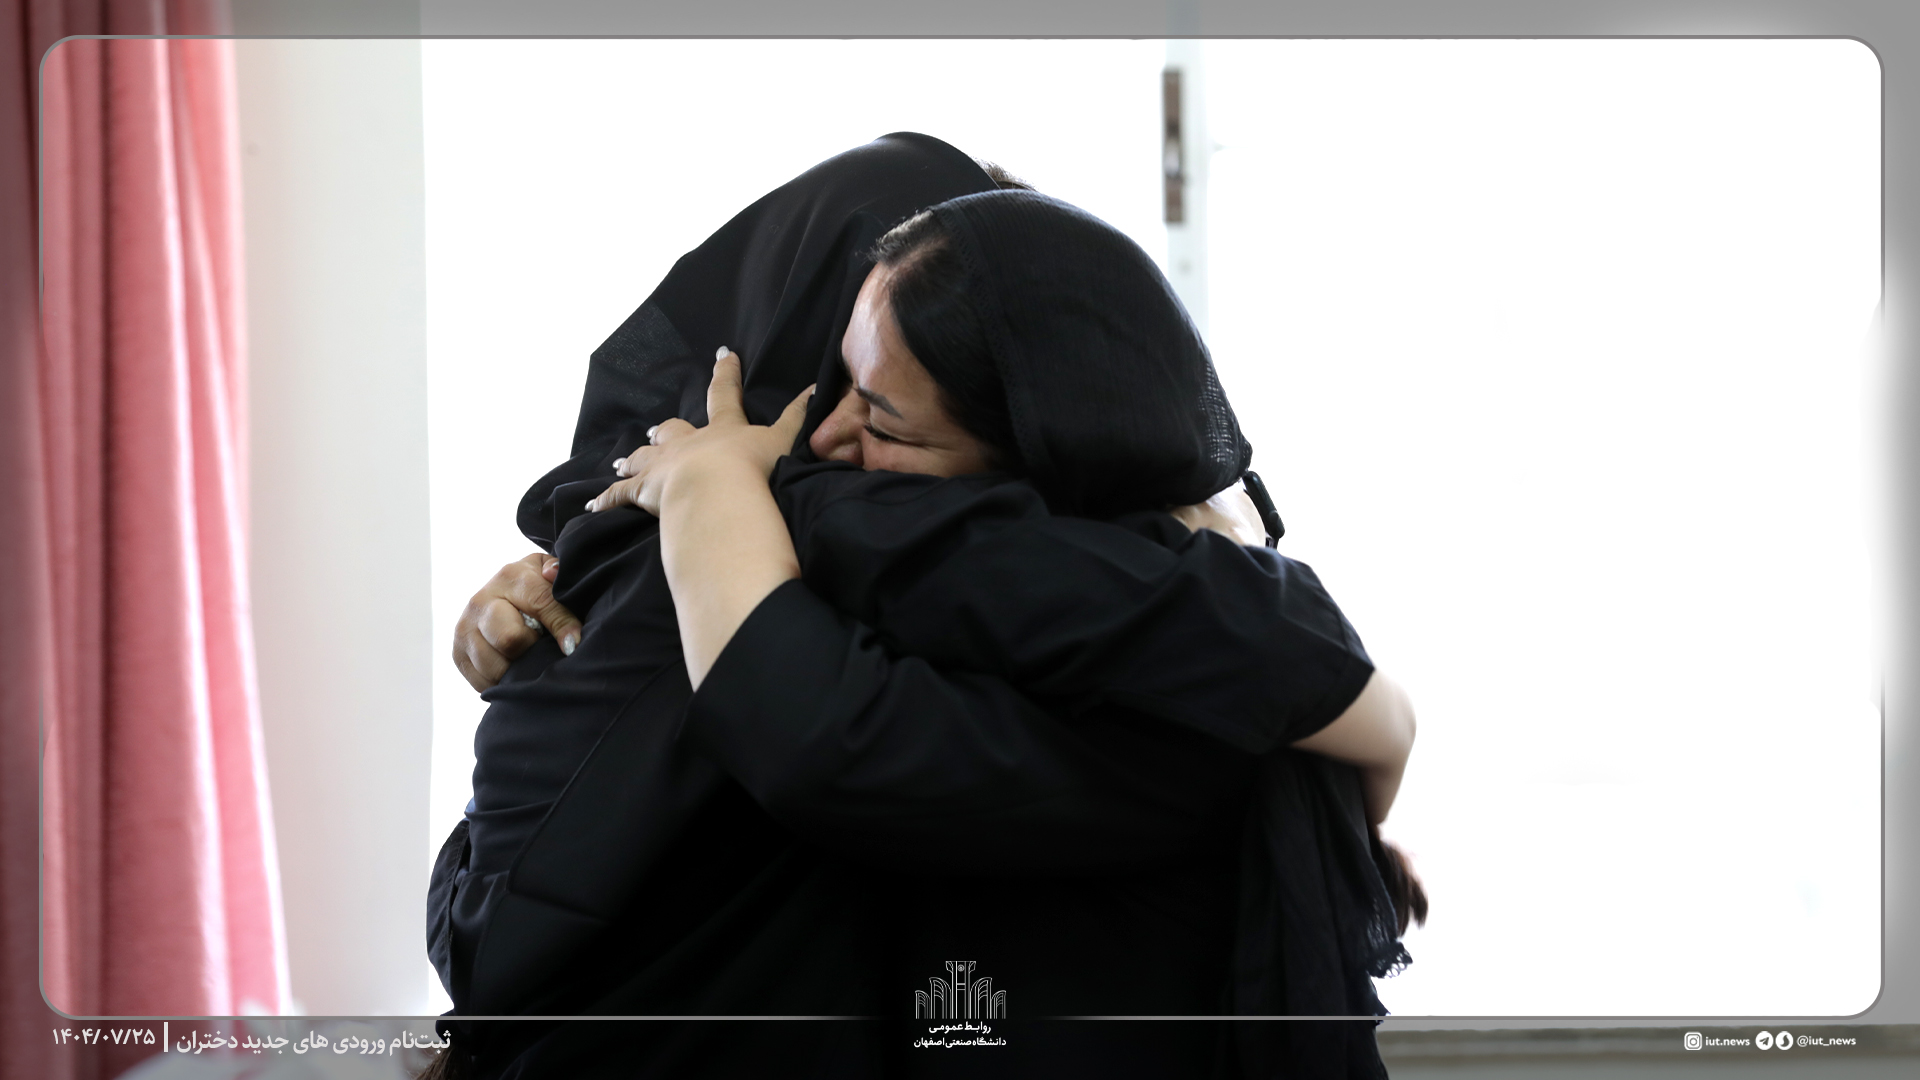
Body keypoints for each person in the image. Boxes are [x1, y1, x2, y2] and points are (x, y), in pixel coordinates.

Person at [430, 136, 1419, 1079]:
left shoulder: (1120, 621)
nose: (821, 435)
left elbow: (814, 738)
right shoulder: (745, 558)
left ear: (1036, 433)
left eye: (884, 412)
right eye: (837, 374)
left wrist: (709, 493)